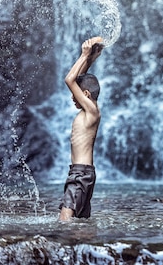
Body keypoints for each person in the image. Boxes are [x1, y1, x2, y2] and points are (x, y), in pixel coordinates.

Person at [59, 36, 104, 221]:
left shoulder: (92, 111)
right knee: (80, 221)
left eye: (76, 95)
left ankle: (61, 248)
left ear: (85, 94)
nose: (72, 97)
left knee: (65, 217)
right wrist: (91, 58)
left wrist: (83, 54)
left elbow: (69, 80)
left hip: (80, 173)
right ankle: (80, 248)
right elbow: (77, 81)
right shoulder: (90, 109)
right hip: (82, 172)